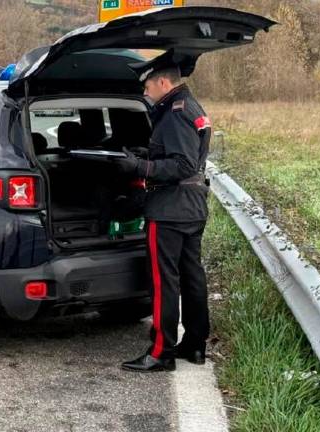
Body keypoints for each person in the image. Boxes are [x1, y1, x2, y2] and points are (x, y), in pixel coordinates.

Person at [112, 50, 212, 372]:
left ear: (163, 82)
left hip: (170, 210)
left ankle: (160, 352)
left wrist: (139, 166)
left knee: (163, 282)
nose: (145, 93)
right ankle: (194, 345)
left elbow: (181, 164)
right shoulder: (191, 107)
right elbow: (182, 155)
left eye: (147, 87)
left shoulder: (174, 112)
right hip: (193, 207)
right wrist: (148, 154)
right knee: (191, 276)